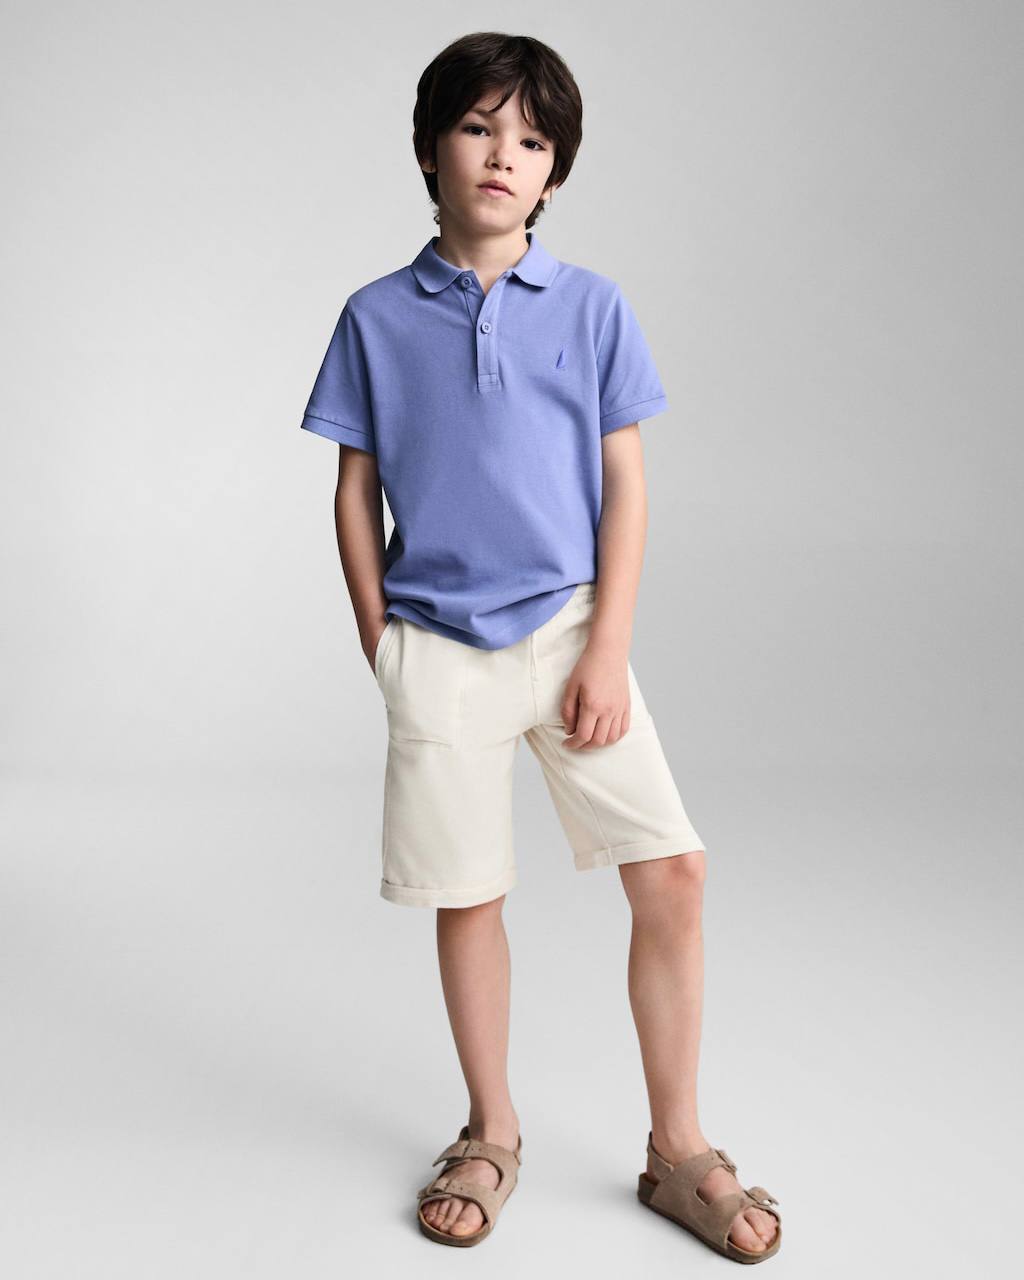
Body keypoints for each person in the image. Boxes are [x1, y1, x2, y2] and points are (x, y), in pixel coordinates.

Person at [299, 31, 781, 1261]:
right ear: (429, 149)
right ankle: (490, 1128)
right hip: (436, 644)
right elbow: (354, 489)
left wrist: (607, 645)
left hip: (572, 630)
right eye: (477, 128)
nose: (501, 155)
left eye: (530, 138)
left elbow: (626, 485)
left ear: (554, 171)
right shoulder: (374, 316)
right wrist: (380, 639)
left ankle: (677, 1146)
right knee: (470, 891)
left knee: (671, 871)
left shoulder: (594, 306)